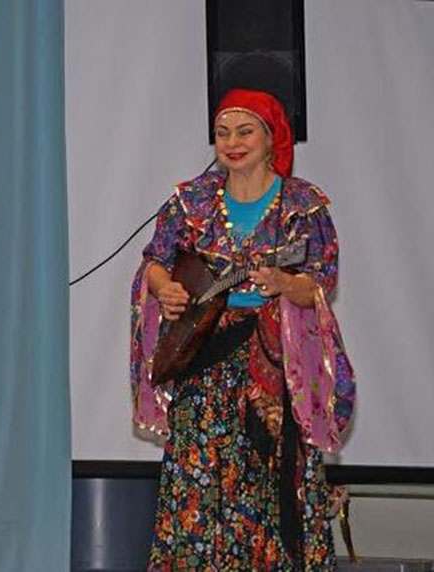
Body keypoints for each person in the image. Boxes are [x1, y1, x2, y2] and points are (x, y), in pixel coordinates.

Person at [130, 88, 356, 570]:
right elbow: (154, 261)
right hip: (204, 361)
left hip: (272, 364)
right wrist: (165, 286)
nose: (232, 142)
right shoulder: (189, 200)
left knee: (269, 479)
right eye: (221, 133)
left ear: (272, 138)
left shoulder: (303, 204)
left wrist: (283, 282)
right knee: (199, 477)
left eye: (244, 131)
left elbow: (320, 281)